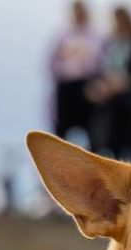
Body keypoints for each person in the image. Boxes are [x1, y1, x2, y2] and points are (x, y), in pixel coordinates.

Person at [88, 5, 131, 164]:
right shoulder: (108, 45)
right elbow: (97, 73)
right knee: (113, 153)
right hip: (113, 110)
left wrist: (126, 82)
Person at [49, 1, 103, 148]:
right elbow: (52, 64)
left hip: (87, 87)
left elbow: (101, 62)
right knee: (61, 133)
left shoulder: (97, 36)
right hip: (66, 87)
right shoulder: (62, 37)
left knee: (92, 132)